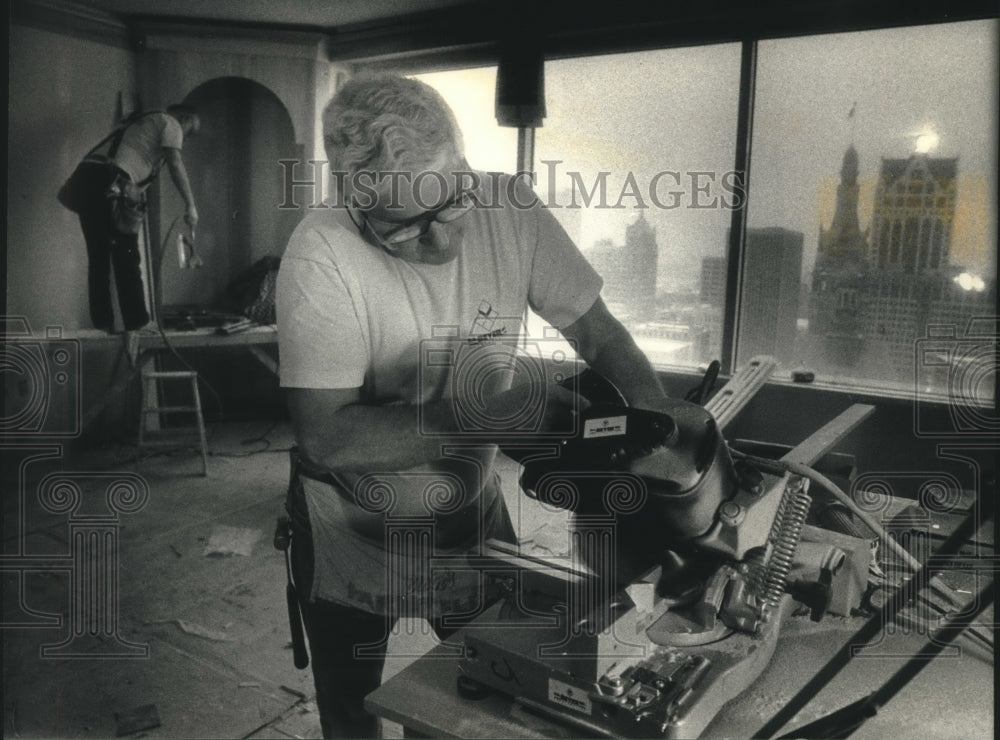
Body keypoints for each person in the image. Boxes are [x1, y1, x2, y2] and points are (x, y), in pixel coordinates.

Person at [275, 74, 670, 738]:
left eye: (451, 203)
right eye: (405, 227)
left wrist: (662, 421)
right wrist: (486, 416)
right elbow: (326, 439)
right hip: (348, 520)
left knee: (484, 691)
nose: (440, 239)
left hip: (467, 507)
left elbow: (598, 333)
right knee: (351, 706)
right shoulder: (322, 254)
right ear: (357, 206)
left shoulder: (508, 206)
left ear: (462, 163)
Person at [70, 104, 200, 340]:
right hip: (110, 180)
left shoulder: (140, 126)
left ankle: (103, 324)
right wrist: (190, 205)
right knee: (127, 254)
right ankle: (137, 321)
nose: (185, 139)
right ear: (183, 118)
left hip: (86, 178)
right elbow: (176, 163)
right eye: (189, 131)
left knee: (99, 256)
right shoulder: (170, 123)